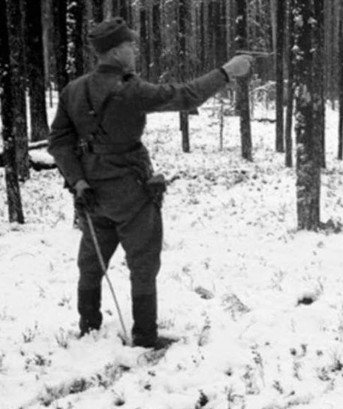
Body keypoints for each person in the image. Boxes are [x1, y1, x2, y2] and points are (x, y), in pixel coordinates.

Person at [48, 18, 253, 348]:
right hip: (131, 191)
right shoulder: (131, 90)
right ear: (114, 52)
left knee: (91, 261)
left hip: (91, 193)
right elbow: (186, 96)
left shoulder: (73, 91)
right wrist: (227, 72)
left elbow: (59, 142)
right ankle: (144, 336)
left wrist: (78, 181)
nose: (134, 50)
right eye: (129, 46)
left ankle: (89, 328)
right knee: (143, 263)